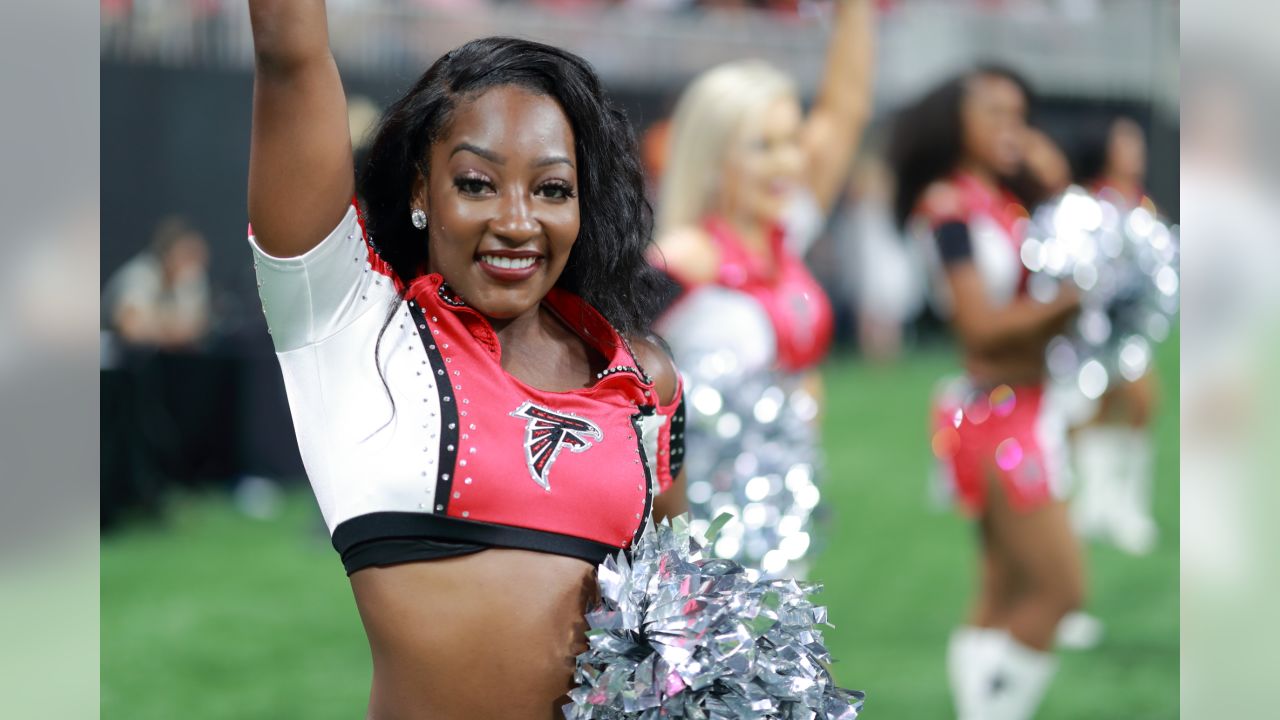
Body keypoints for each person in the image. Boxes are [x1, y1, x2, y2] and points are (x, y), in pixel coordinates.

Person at [245, 3, 684, 717]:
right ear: (422, 190)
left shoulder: (641, 377)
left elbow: (683, 603)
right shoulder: (348, 327)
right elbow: (289, 52)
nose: (517, 221)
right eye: (477, 183)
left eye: (552, 189)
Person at [649, 0, 875, 576]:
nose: (788, 162)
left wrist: (854, 12)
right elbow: (590, 355)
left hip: (780, 504)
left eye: (791, 141)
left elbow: (845, 110)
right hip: (700, 525)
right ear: (716, 154)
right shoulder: (686, 258)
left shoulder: (785, 233)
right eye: (763, 146)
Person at [889, 66, 1084, 720]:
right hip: (996, 415)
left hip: (1028, 404)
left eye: (1020, 114)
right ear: (957, 123)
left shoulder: (1004, 200)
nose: (1014, 128)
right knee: (1060, 590)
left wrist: (1052, 182)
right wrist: (1073, 302)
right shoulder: (947, 209)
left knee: (1002, 591)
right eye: (995, 113)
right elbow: (979, 325)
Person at [1067, 116, 1161, 555]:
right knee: (1093, 412)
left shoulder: (1139, 203)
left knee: (1140, 403)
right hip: (1090, 328)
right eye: (1126, 143)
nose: (1135, 151)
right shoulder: (1092, 202)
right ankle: (1096, 502)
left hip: (1130, 331)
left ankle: (1127, 505)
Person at [102, 215, 211, 351]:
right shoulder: (140, 275)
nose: (194, 262)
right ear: (167, 254)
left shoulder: (191, 278)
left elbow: (198, 327)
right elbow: (131, 329)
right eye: (187, 254)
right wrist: (174, 330)